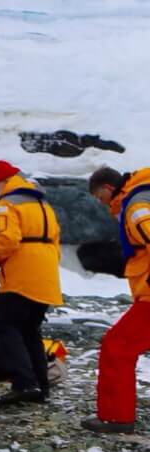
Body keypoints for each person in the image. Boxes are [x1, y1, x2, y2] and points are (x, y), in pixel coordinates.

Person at [0, 161, 63, 406]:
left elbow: (8, 239)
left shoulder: (7, 204)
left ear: (5, 182)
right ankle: (41, 385)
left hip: (21, 276)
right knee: (30, 330)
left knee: (5, 326)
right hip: (46, 274)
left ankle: (24, 383)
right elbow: (56, 238)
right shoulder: (42, 203)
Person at [84, 165, 150, 434]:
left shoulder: (135, 208)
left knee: (117, 347)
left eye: (100, 198)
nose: (102, 204)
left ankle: (116, 416)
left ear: (110, 189)